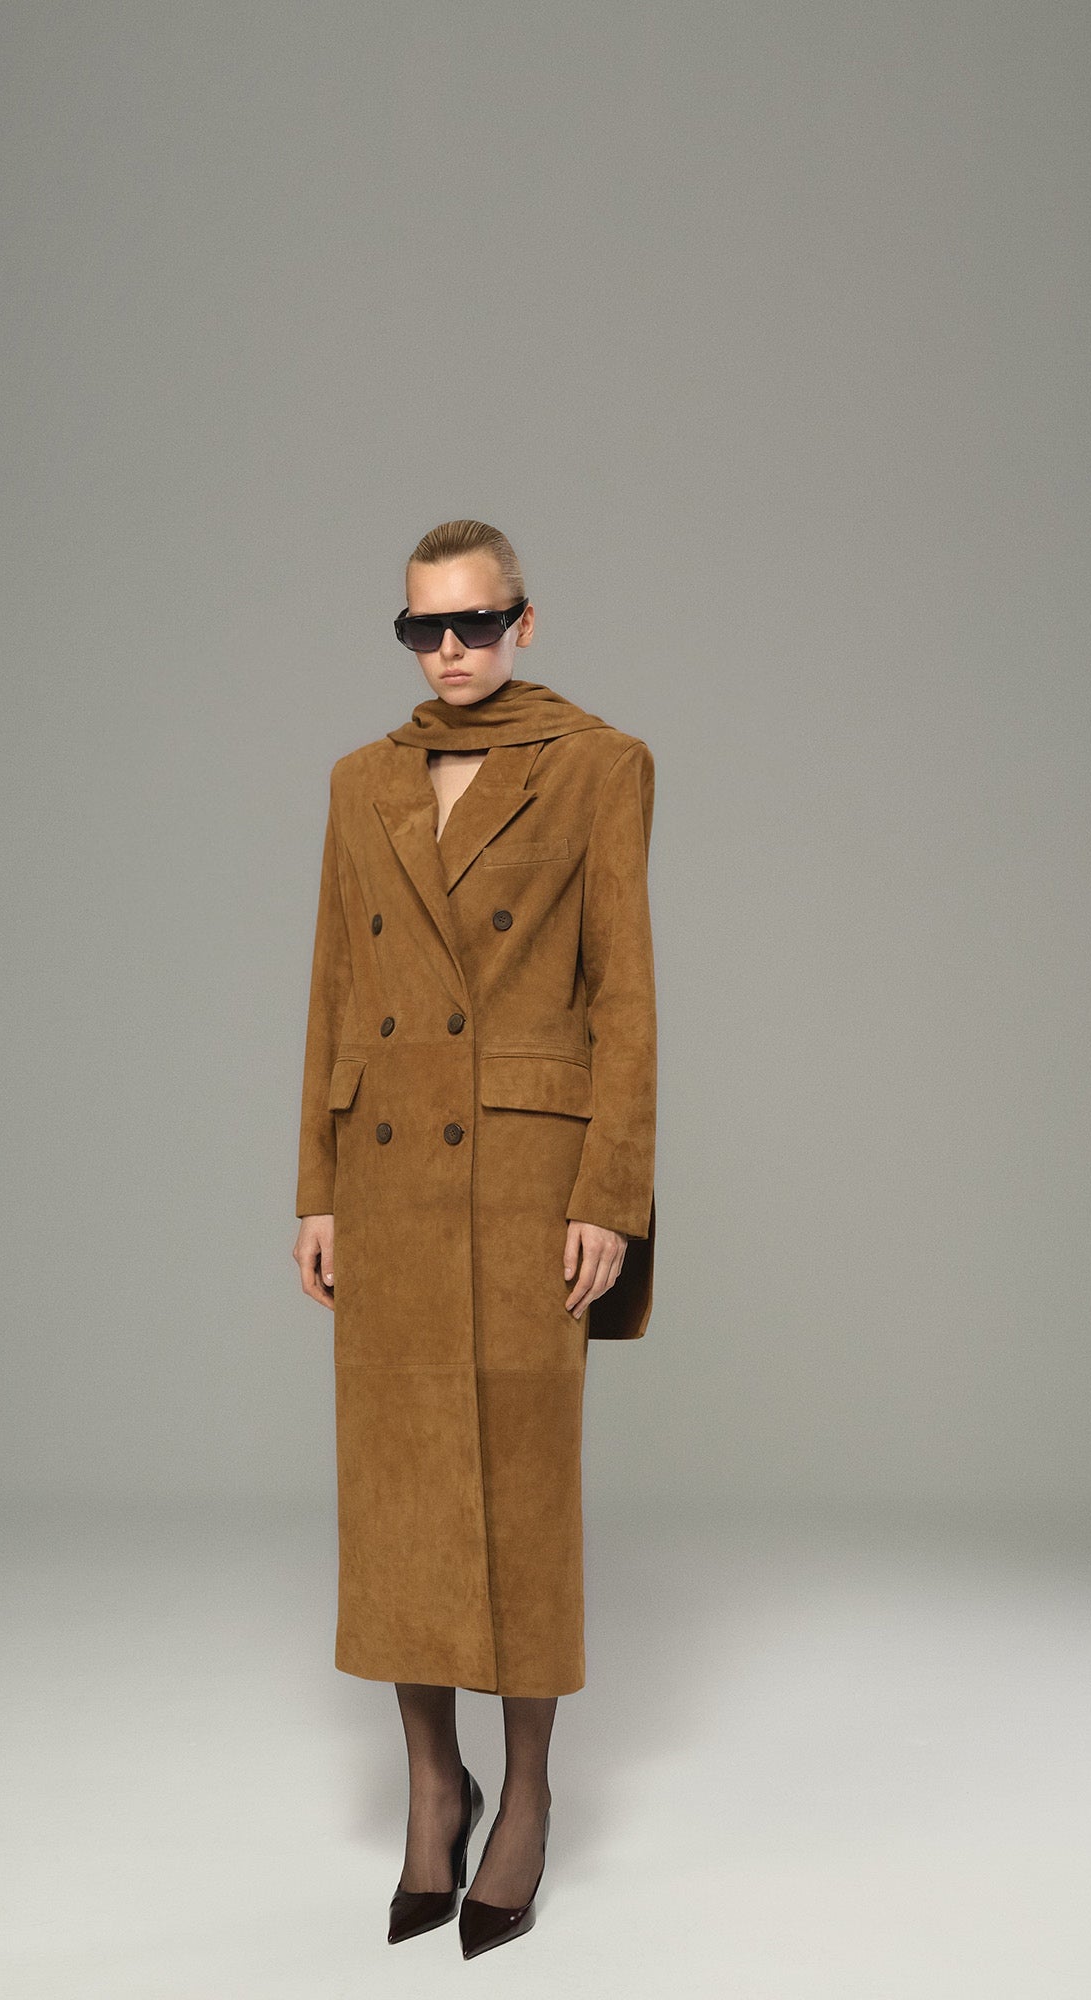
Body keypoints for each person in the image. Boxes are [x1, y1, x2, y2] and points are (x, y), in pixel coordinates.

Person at [291, 518, 657, 1956]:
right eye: (422, 628)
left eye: (476, 623)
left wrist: (608, 1193)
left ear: (524, 623)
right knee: (399, 1490)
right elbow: (333, 989)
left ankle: (532, 1793)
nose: (449, 650)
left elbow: (623, 994)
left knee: (518, 1486)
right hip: (386, 1171)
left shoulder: (599, 765)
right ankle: (434, 1786)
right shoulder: (359, 781)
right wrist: (317, 1188)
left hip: (522, 1177)